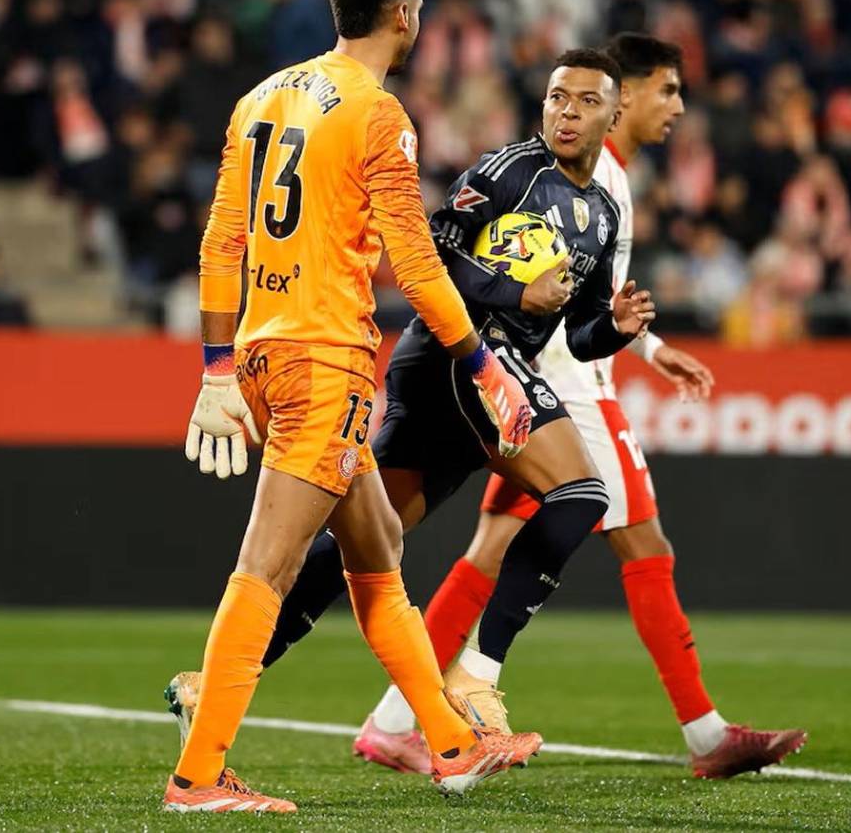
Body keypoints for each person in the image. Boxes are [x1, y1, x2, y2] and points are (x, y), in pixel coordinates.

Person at [166, 46, 657, 764]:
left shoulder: (603, 217)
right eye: (557, 97)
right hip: (464, 356)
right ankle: (479, 678)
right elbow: (435, 254)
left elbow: (576, 335)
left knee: (372, 542)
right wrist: (515, 294)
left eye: (584, 101)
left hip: (478, 368)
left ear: (613, 115)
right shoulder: (508, 172)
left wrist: (612, 327)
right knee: (583, 493)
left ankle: (209, 685)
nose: (566, 112)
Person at [354, 35, 808, 779]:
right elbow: (487, 272)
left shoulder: (605, 185)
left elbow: (594, 304)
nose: (677, 107)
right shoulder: (581, 180)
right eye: (667, 90)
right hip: (562, 389)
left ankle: (395, 719)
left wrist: (650, 347)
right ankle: (702, 733)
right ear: (625, 97)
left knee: (486, 548)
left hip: (538, 375)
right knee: (645, 545)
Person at [165, 0, 542, 815]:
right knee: (267, 563)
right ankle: (197, 777)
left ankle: (447, 744)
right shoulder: (378, 113)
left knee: (377, 549)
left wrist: (217, 368)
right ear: (404, 16)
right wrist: (482, 364)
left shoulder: (261, 97)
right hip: (324, 359)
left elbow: (223, 243)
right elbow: (413, 257)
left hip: (262, 353)